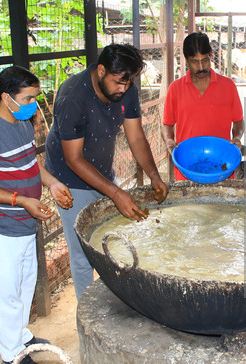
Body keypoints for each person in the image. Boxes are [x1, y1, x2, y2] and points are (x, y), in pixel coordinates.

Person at [0, 66, 74, 364]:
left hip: (25, 221)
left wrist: (51, 183)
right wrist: (21, 200)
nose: (34, 105)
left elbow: (31, 165)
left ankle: (21, 337)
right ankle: (11, 356)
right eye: (28, 98)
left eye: (35, 98)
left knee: (24, 284)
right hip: (0, 224)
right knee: (6, 291)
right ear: (6, 97)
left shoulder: (23, 122)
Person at [45, 44, 168, 300]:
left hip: (101, 169)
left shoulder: (126, 88)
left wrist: (155, 175)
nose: (123, 88)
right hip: (70, 179)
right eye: (118, 82)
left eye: (129, 82)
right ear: (101, 71)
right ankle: (88, 313)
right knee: (82, 252)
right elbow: (73, 159)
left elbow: (135, 137)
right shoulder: (73, 96)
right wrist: (116, 192)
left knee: (110, 240)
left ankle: (114, 301)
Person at [162, 32, 244, 180]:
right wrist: (168, 140)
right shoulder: (175, 88)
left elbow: (238, 122)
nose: (201, 67)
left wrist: (237, 137)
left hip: (222, 166)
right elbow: (167, 125)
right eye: (195, 61)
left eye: (205, 60)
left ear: (211, 56)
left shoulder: (228, 86)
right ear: (186, 60)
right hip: (187, 168)